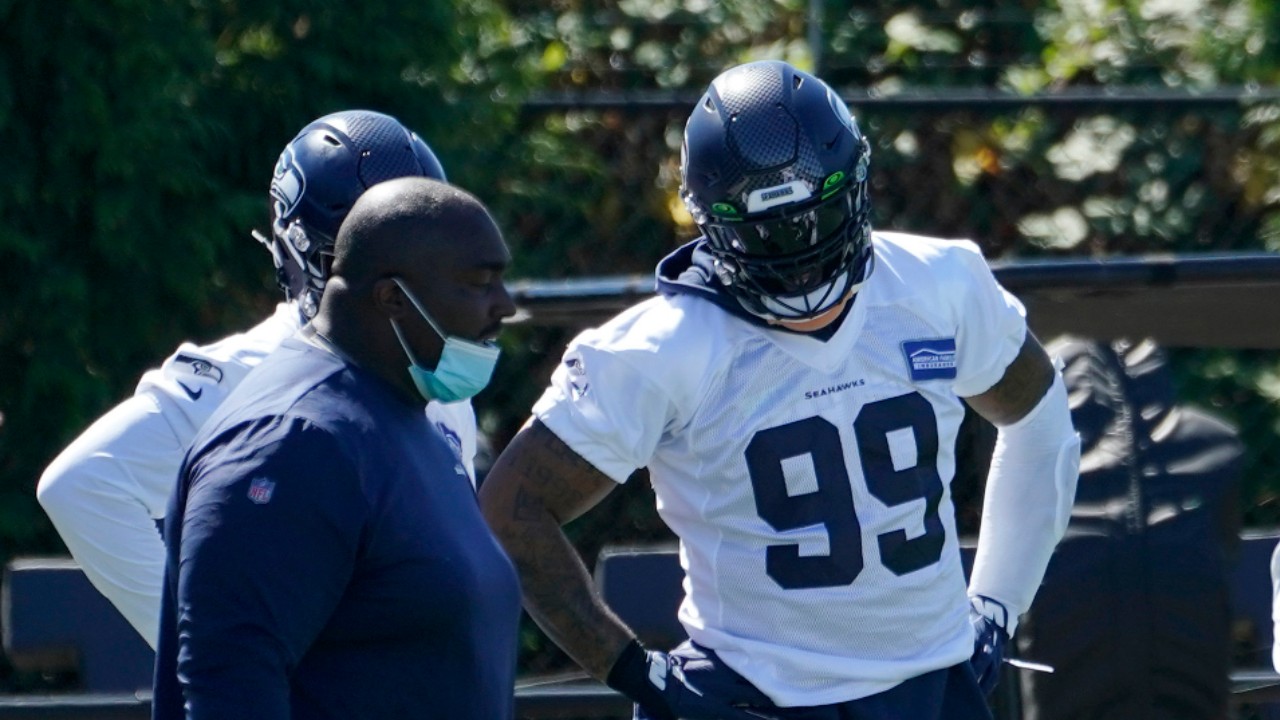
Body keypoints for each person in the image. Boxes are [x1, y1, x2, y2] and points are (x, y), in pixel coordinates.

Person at [479, 59, 1080, 720]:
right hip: (759, 699)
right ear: (709, 224)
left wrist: (997, 600)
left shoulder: (938, 286)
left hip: (932, 683)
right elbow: (513, 508)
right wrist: (639, 674)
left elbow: (1038, 415)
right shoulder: (661, 350)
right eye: (766, 234)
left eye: (816, 223)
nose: (800, 260)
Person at [35, 109, 481, 649]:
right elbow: (84, 486)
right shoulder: (248, 377)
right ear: (308, 257)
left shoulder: (441, 387)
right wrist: (220, 654)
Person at [151, 176, 521, 719]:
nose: (505, 306)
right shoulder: (292, 440)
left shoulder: (402, 411)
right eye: (479, 283)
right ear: (394, 298)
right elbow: (230, 682)